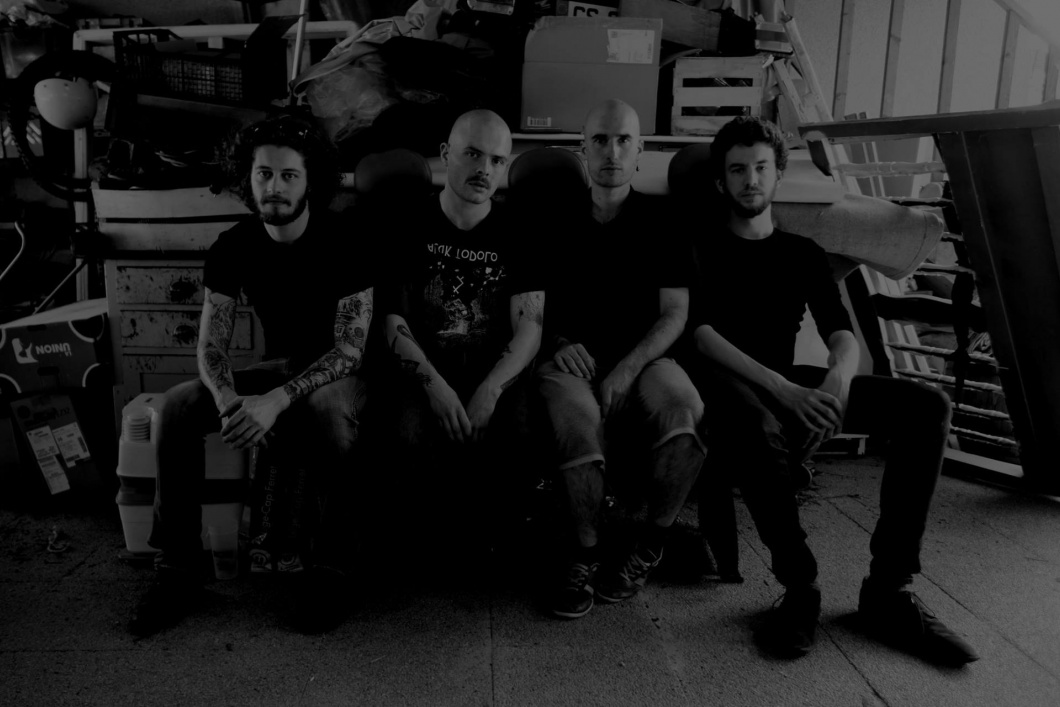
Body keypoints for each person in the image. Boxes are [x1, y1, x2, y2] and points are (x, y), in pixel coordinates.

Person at [684, 116, 978, 666]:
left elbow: (839, 330)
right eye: (738, 170)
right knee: (757, 422)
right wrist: (785, 390)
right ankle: (800, 588)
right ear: (721, 181)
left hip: (789, 379)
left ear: (778, 176)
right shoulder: (700, 245)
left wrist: (837, 379)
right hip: (723, 383)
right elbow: (699, 333)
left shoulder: (801, 253)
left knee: (927, 407)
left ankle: (888, 591)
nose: (751, 180)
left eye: (761, 168)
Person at [129, 114, 375, 636]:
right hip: (278, 366)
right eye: (264, 173)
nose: (274, 187)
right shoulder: (234, 244)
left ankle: (333, 571)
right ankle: (177, 570)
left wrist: (276, 401)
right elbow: (210, 345)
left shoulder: (347, 240)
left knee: (329, 412)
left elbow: (350, 351)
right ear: (248, 176)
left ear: (311, 182)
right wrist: (227, 402)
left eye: (289, 175)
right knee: (177, 405)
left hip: (339, 376)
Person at [537, 99, 706, 620]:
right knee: (577, 428)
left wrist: (628, 368)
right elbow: (528, 307)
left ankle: (650, 544)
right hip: (570, 359)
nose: (612, 152)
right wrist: (558, 342)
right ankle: (585, 554)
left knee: (683, 413)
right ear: (582, 148)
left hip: (645, 358)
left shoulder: (665, 220)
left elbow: (675, 314)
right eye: (600, 140)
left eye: (624, 140)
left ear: (640, 149)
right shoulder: (553, 219)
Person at [382, 109, 544, 544]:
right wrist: (435, 388)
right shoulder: (407, 223)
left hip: (495, 373)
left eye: (497, 160)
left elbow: (530, 327)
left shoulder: (520, 230)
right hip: (424, 372)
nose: (484, 169)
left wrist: (490, 390)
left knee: (520, 436)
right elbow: (393, 322)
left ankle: (495, 544)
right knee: (407, 436)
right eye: (473, 154)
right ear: (445, 154)